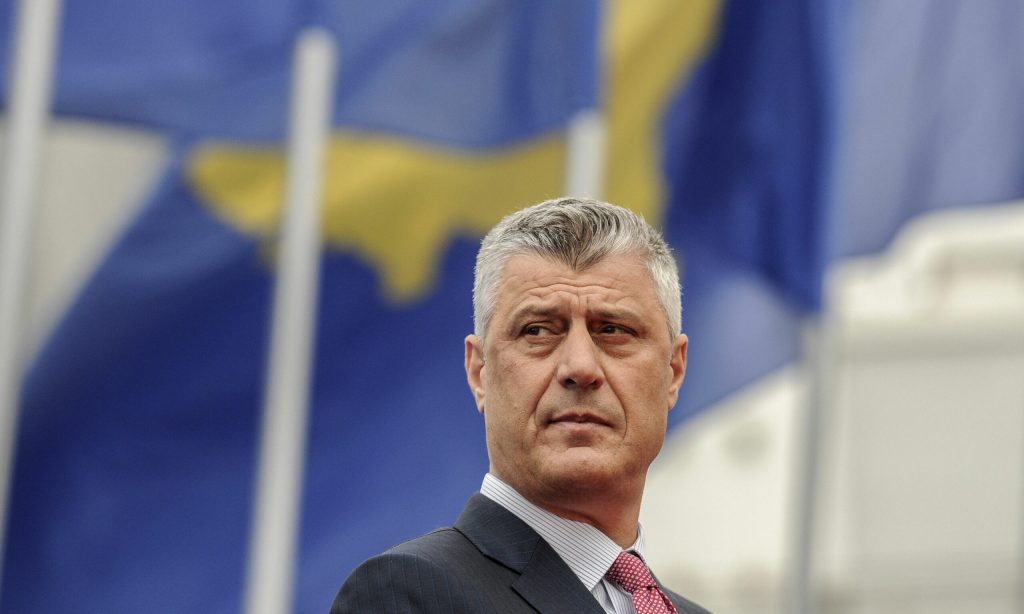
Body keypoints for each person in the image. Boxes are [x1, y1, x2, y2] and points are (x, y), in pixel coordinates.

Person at [332, 197, 709, 613]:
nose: (580, 367)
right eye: (537, 331)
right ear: (479, 371)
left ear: (673, 370)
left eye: (613, 330)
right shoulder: (408, 593)